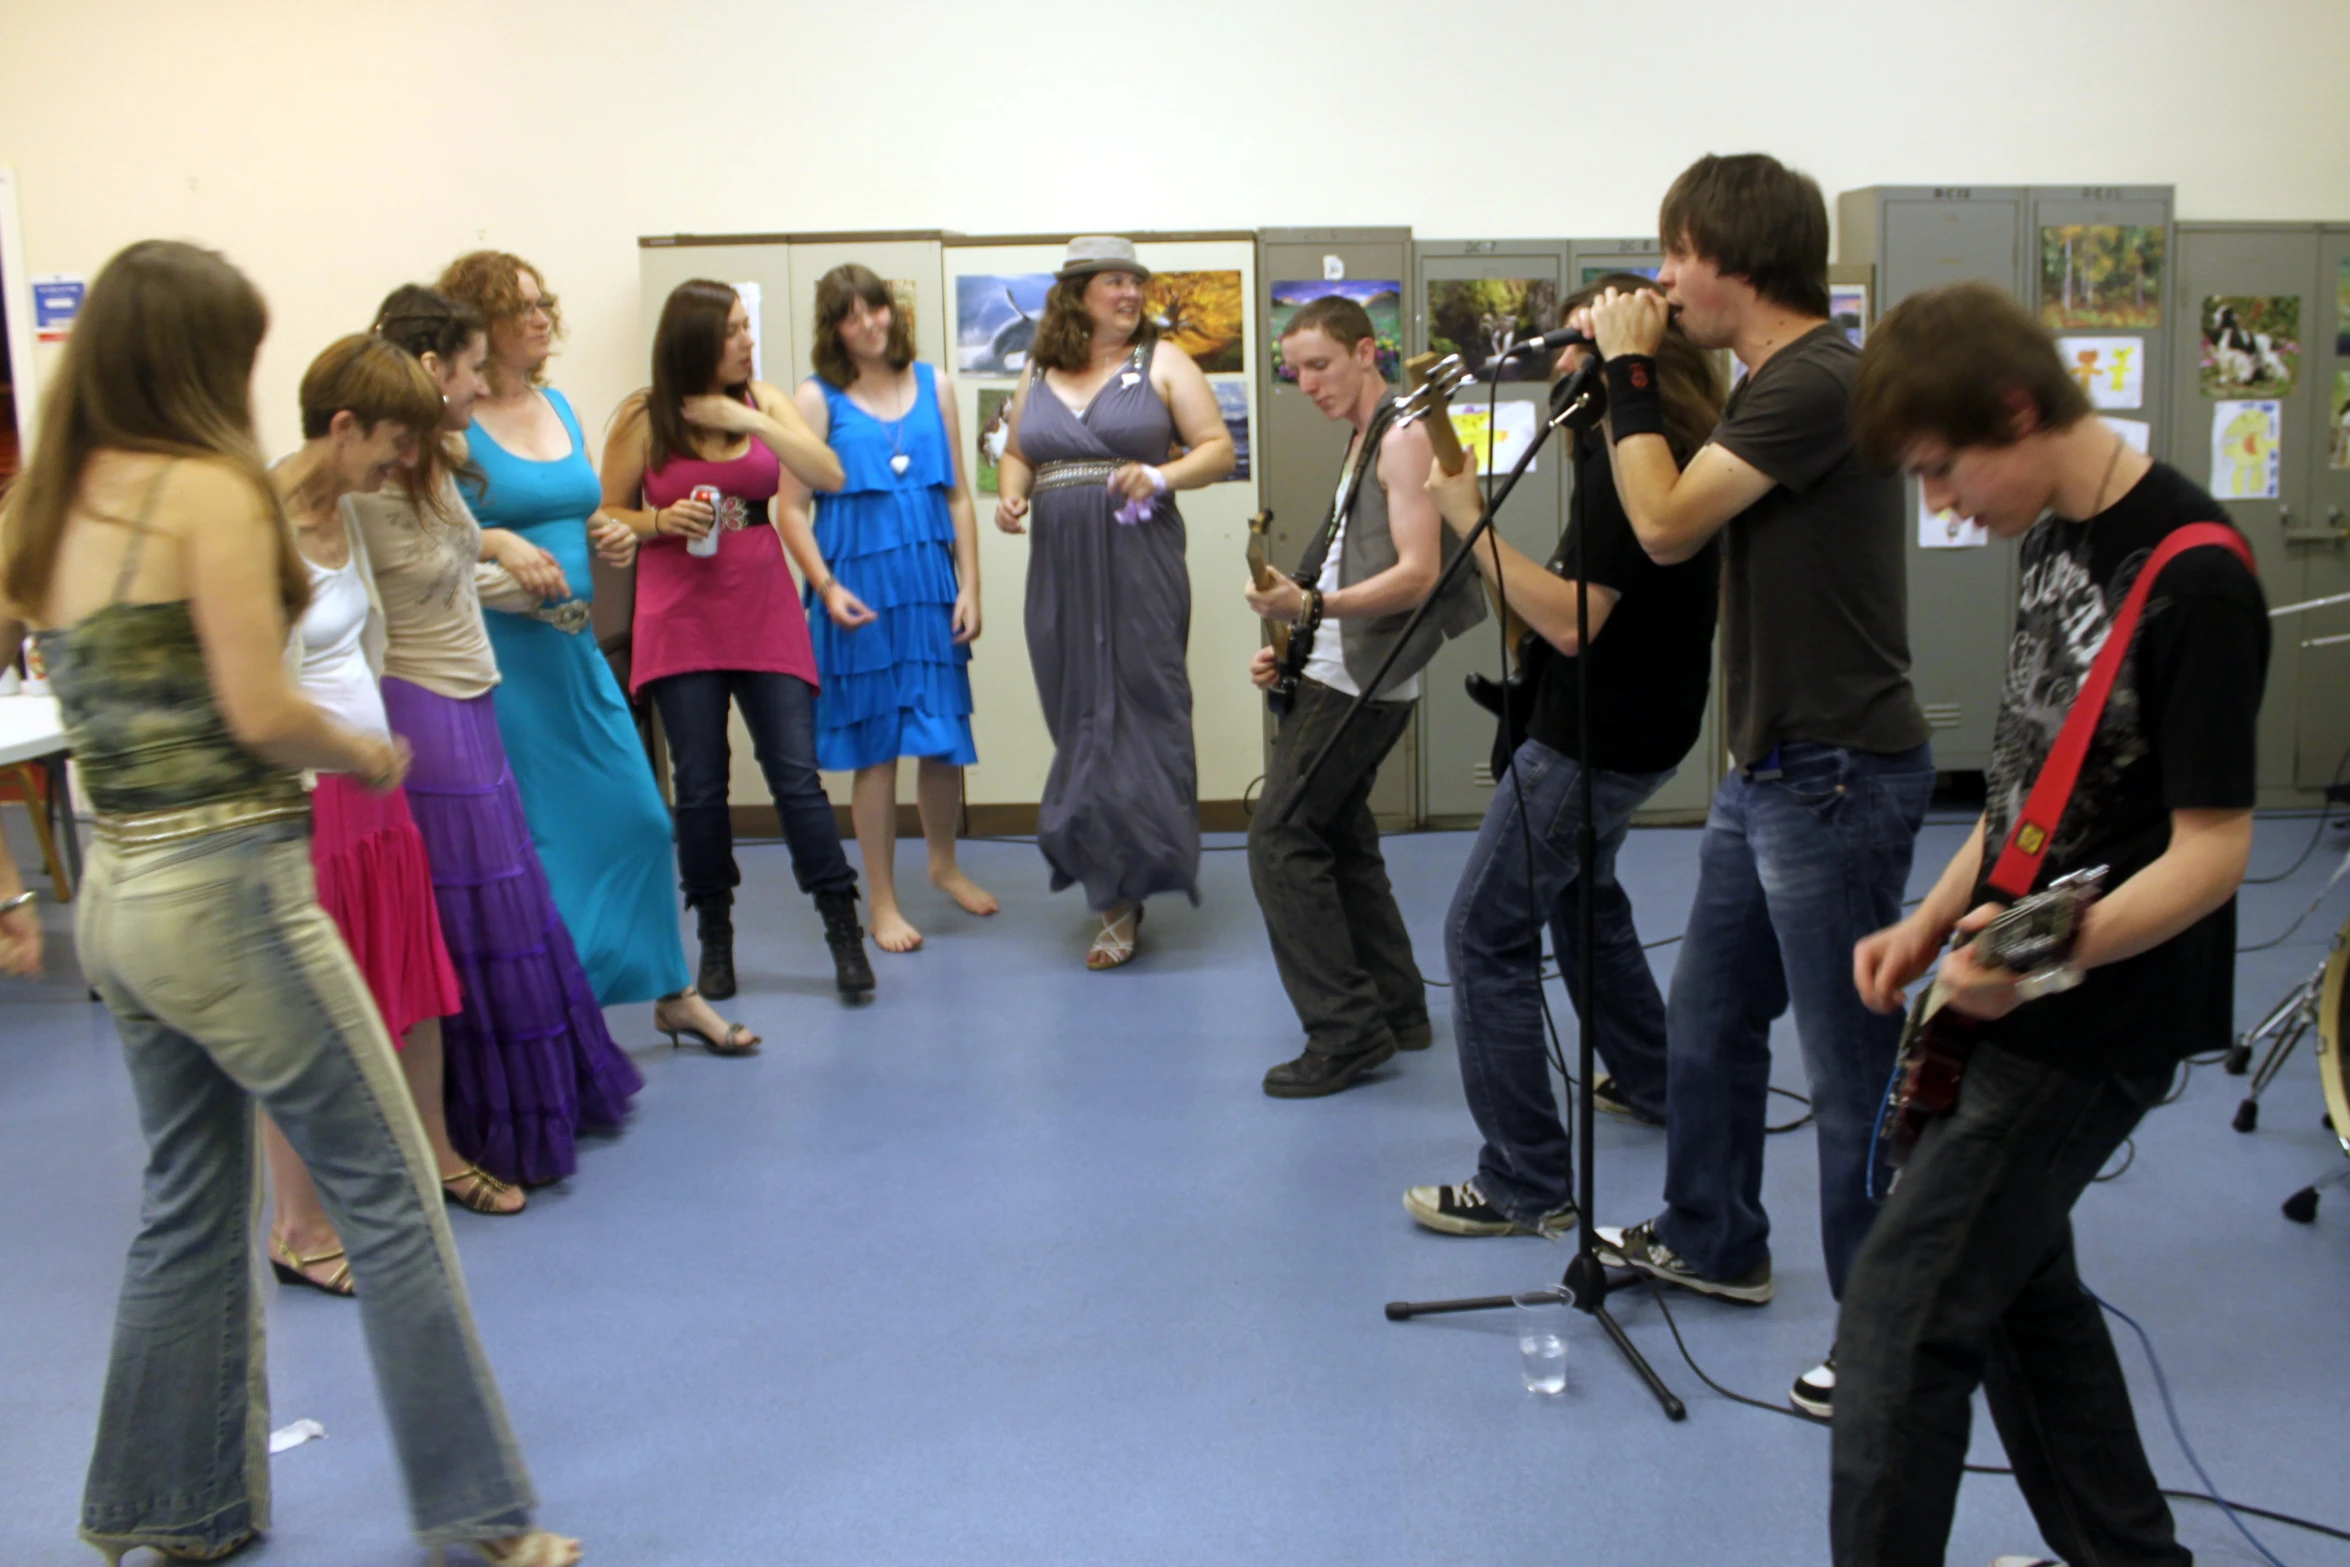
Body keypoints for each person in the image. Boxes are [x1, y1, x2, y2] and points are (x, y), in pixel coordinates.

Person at [0, 240, 576, 1567]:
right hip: (231, 889)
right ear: (200, 355)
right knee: (392, 1193)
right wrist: (370, 750)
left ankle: (168, 1507)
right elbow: (260, 711)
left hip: (123, 897)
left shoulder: (50, 501)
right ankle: (479, 1516)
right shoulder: (205, 490)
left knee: (185, 1204)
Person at [1832, 281, 2265, 1567]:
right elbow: (2033, 783)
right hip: (2004, 987)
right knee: (2022, 1296)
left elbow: (2216, 851)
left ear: (2016, 412)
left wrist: (2032, 965)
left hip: (2096, 1017)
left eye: (1943, 468)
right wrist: (1933, 917)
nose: (1941, 503)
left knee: (1899, 1321)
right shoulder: (2054, 535)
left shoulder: (2195, 579)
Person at [1581, 154, 1935, 1420]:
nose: (1662, 279)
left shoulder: (1816, 380)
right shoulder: (1766, 385)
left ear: (1732, 258)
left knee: (1851, 1069)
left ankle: (1884, 1336)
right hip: (1771, 769)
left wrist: (1628, 377)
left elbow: (1664, 524)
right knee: (1708, 1017)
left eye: (1673, 253)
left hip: (1833, 774)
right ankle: (1714, 1234)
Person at [1403, 275, 1723, 1231]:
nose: (1565, 367)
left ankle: (1523, 1178)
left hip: (1596, 737)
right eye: (1568, 347)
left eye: (1586, 350)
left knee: (1483, 932)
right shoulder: (1641, 444)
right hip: (1646, 725)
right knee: (1584, 898)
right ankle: (1655, 1077)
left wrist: (1467, 516)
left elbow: (1578, 619)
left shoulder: (1642, 449)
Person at [356, 283, 652, 1185]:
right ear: (436, 368)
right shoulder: (372, 483)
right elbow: (415, 590)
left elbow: (450, 567)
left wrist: (516, 561)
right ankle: (463, 1130)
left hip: (475, 690)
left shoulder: (432, 462)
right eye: (473, 368)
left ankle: (534, 1094)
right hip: (427, 705)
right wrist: (504, 558)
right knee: (475, 911)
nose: (482, 386)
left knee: (510, 897)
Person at [436, 251, 755, 1046]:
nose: (543, 317)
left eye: (545, 302)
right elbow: (430, 535)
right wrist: (501, 543)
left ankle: (667, 987)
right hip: (506, 666)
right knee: (541, 845)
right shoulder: (452, 423)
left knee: (644, 819)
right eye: (523, 307)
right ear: (478, 322)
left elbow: (581, 508)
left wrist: (608, 529)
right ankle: (557, 1013)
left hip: (574, 651)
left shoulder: (559, 407)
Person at [259, 333, 515, 1301]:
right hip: (307, 797)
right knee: (307, 1015)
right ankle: (298, 1225)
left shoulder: (350, 514)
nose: (401, 462)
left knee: (412, 988)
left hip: (375, 788)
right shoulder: (259, 523)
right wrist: (342, 758)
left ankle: (438, 1159)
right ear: (341, 427)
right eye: (391, 442)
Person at [598, 277, 875, 999]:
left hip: (761, 604)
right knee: (700, 786)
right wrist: (660, 523)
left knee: (796, 776)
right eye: (733, 330)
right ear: (694, 341)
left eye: (747, 327)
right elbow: (607, 518)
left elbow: (829, 472)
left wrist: (746, 420)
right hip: (678, 613)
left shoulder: (765, 400)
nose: (748, 340)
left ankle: (842, 927)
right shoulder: (642, 417)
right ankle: (715, 938)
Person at [1239, 294, 1484, 1096]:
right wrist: (1295, 642)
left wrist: (1308, 609)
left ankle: (1344, 1031)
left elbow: (1417, 577)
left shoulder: (1405, 435)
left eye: (1320, 364)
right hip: (1340, 667)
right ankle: (1398, 1007)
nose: (1307, 384)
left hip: (1361, 680)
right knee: (1339, 834)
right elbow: (1351, 559)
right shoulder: (1367, 436)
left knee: (1279, 837)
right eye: (1295, 370)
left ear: (1365, 351)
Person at [994, 236, 1234, 968]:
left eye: (1137, 282)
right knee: (1078, 715)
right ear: (1076, 292)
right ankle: (1111, 878)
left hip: (1139, 562)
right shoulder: (1036, 369)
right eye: (1114, 282)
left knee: (1143, 710)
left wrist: (1160, 478)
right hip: (1060, 570)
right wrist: (1010, 493)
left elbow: (1218, 449)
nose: (1131, 294)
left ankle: (1121, 898)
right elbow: (1017, 449)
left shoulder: (1163, 361)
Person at [786, 263, 993, 955]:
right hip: (858, 591)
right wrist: (823, 583)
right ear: (833, 328)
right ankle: (881, 899)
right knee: (876, 751)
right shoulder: (815, 400)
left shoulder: (936, 385)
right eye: (851, 315)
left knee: (940, 738)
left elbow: (959, 495)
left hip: (929, 583)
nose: (869, 324)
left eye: (875, 309)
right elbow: (786, 508)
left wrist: (971, 584)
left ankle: (944, 864)